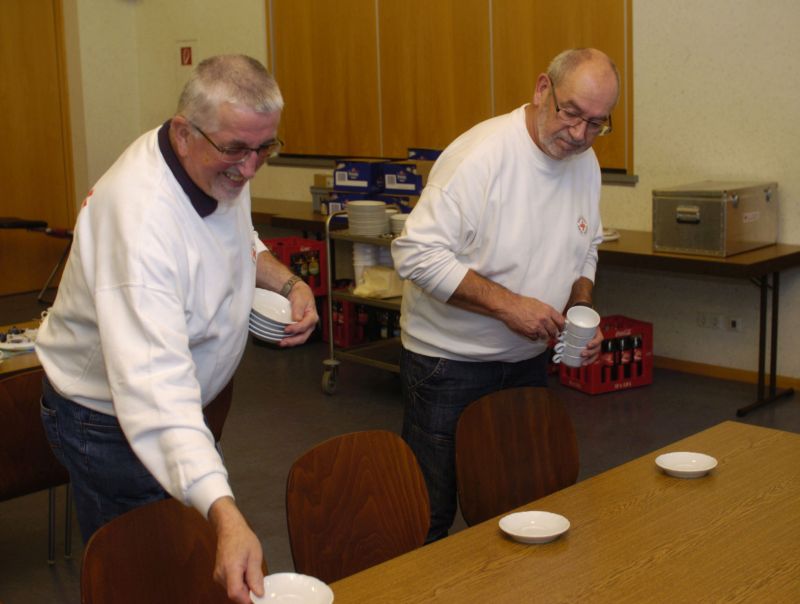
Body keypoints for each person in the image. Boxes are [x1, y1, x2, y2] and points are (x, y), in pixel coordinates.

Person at [36, 55, 318, 603]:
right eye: (238, 150)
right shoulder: (141, 221)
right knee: (144, 571)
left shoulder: (216, 153)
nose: (251, 168)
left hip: (181, 401)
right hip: (107, 418)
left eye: (266, 148)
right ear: (184, 133)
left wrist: (287, 283)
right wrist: (225, 510)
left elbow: (240, 234)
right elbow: (156, 393)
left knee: (178, 550)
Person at [391, 48, 618, 542]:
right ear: (542, 89)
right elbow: (415, 255)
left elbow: (587, 246)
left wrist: (580, 305)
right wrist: (510, 306)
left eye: (597, 123)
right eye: (572, 113)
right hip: (448, 364)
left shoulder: (585, 162)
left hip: (528, 360)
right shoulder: (482, 157)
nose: (580, 134)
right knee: (429, 513)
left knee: (520, 502)